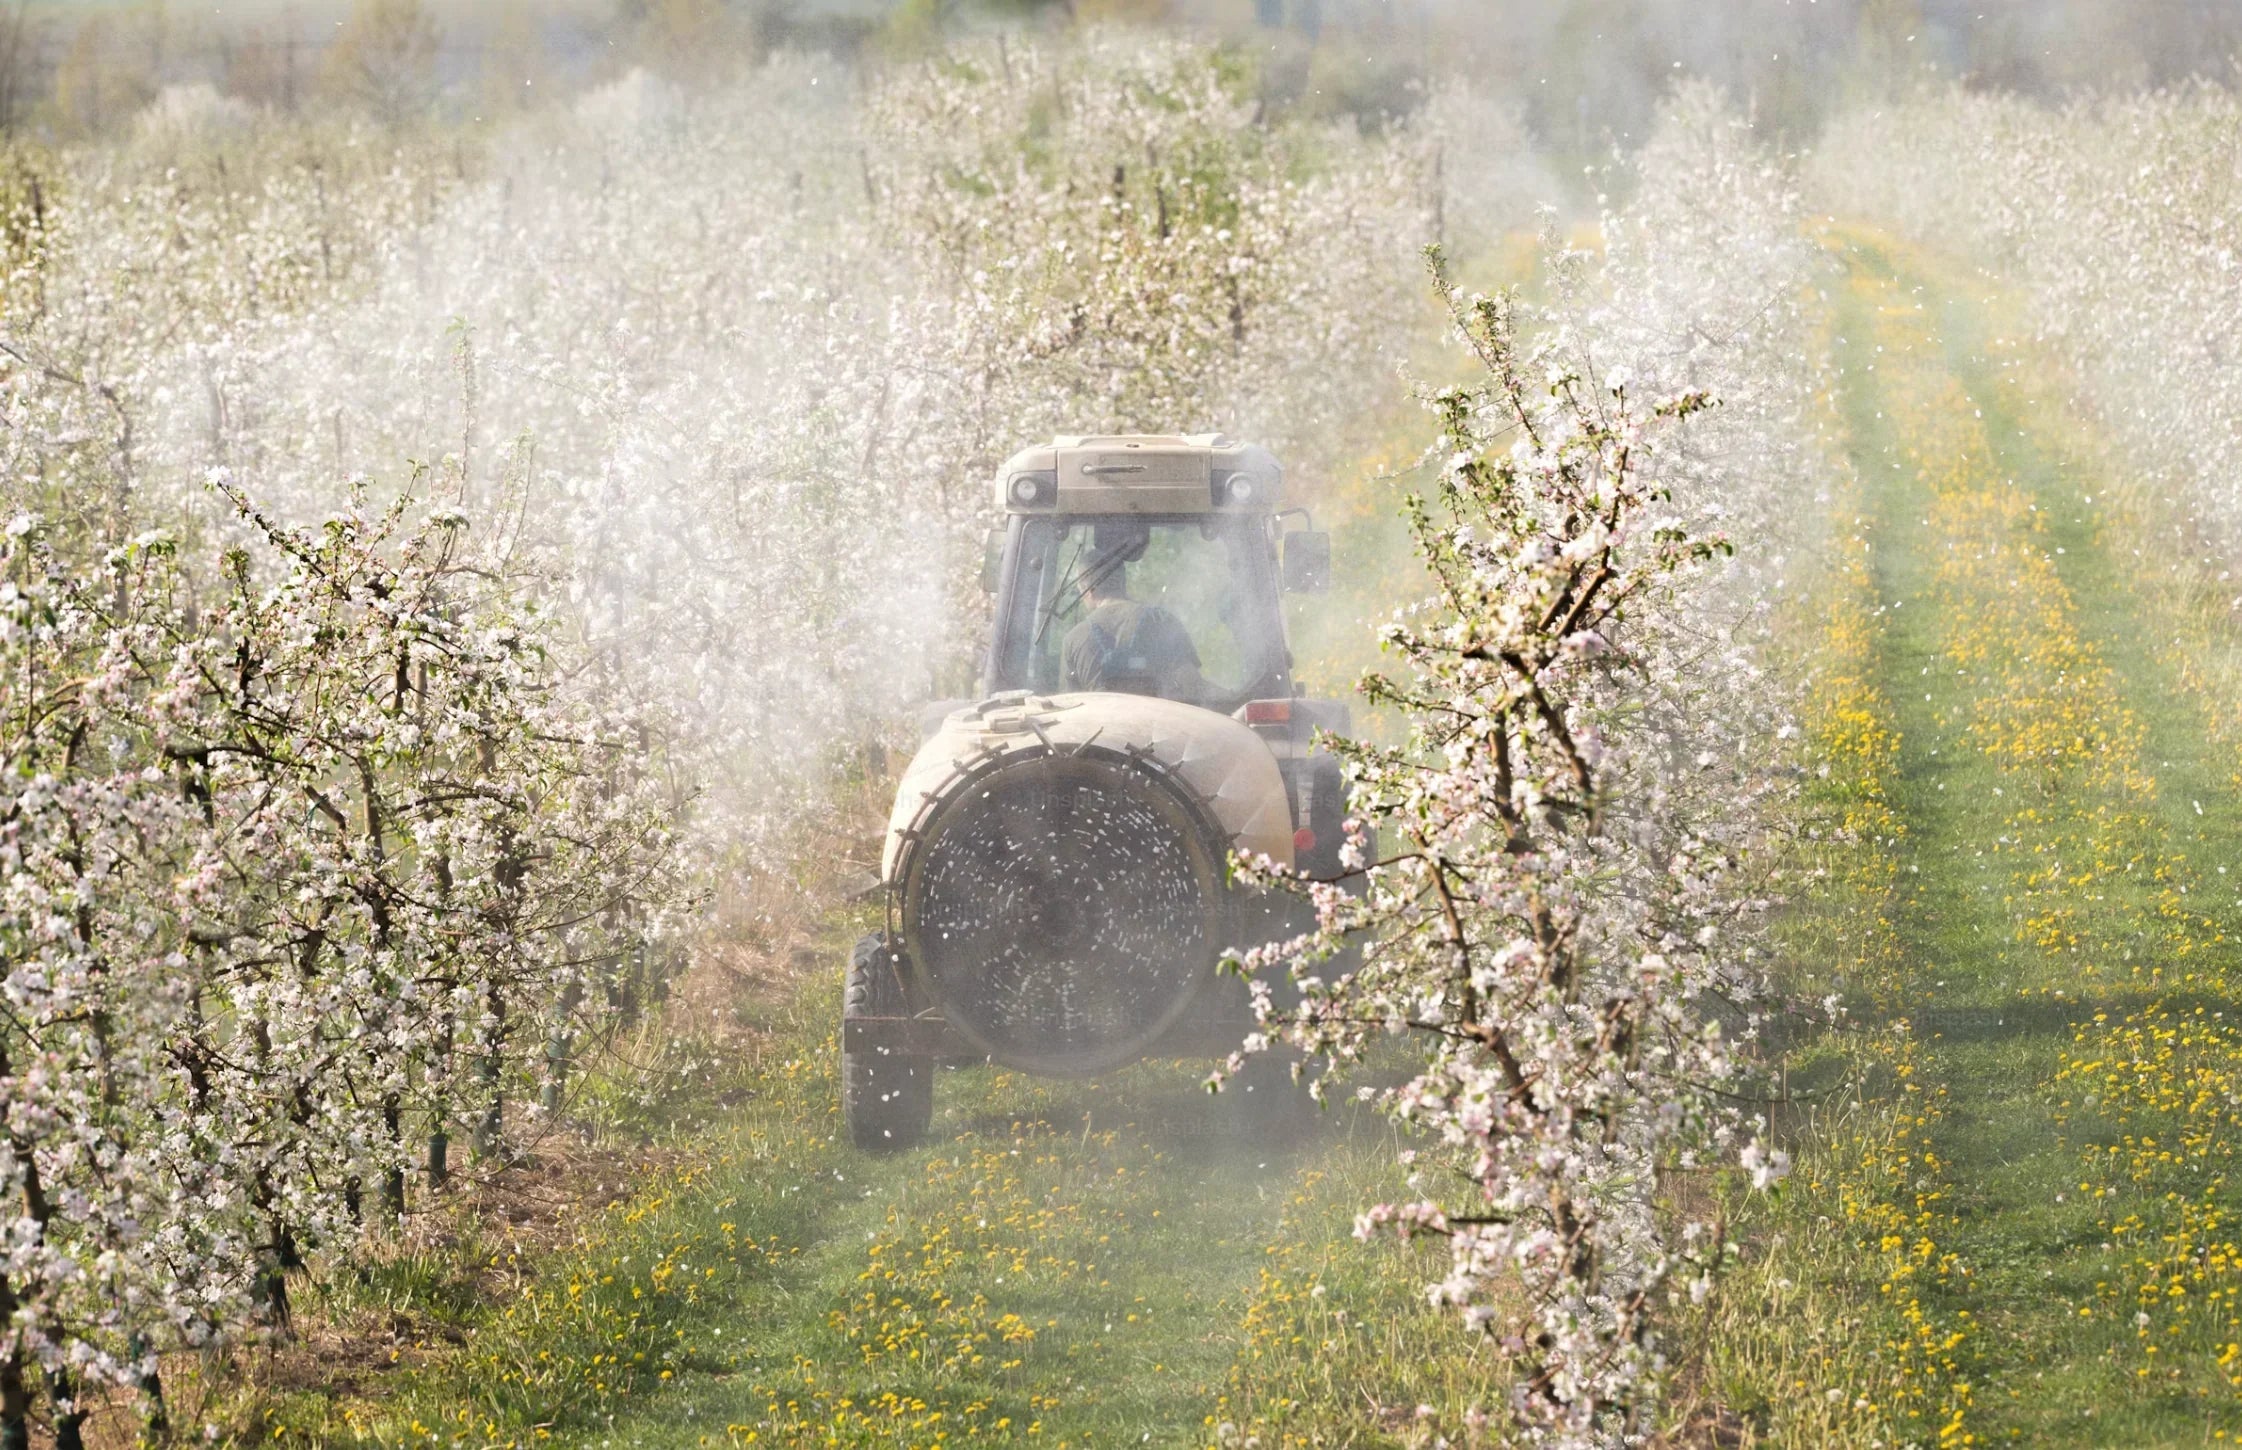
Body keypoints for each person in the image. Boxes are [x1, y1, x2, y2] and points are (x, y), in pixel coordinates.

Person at [1062, 532, 1208, 703]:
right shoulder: (1161, 621)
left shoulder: (1074, 639)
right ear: (1123, 581)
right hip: (1161, 720)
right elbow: (1192, 686)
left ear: (1087, 590)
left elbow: (1068, 706)